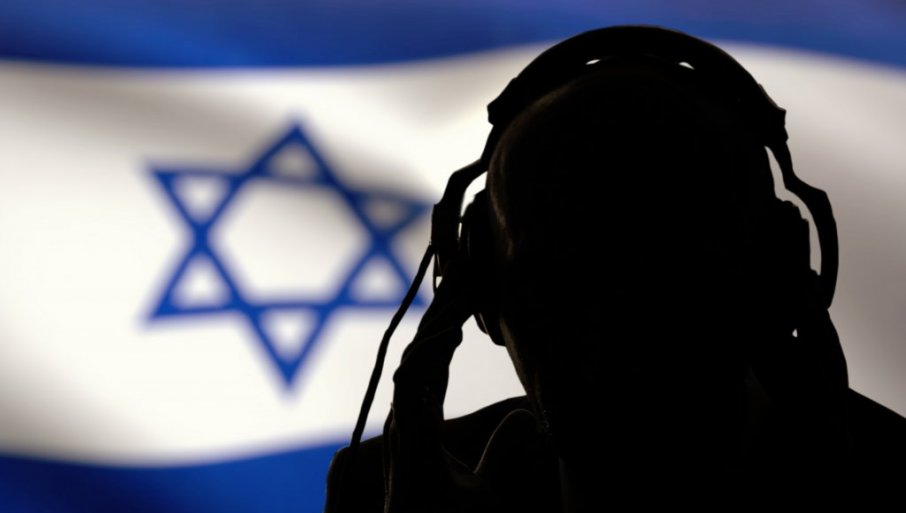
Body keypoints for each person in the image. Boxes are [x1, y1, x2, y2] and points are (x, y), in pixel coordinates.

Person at [325, 26, 906, 511]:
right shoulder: (378, 487)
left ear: (771, 280)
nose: (611, 336)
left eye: (668, 278)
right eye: (558, 284)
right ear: (484, 295)